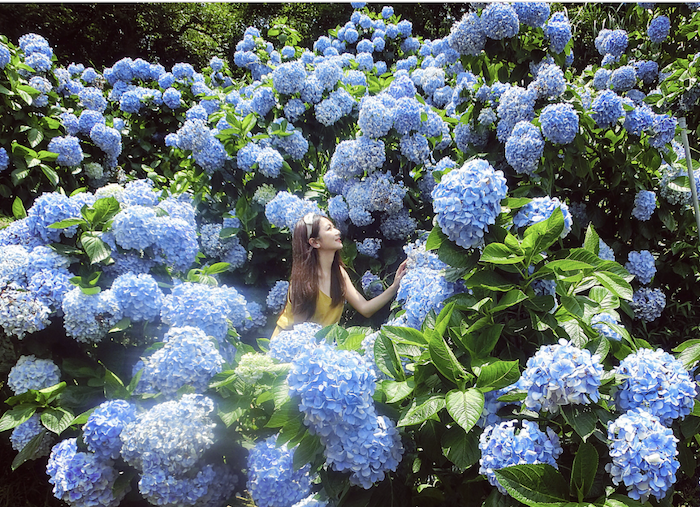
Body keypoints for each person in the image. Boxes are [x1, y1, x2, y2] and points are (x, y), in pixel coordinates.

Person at [271, 212, 407, 337]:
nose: (337, 232)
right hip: (290, 345)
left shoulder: (339, 273)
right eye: (329, 229)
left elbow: (365, 309)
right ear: (315, 242)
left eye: (334, 227)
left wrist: (395, 286)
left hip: (321, 347)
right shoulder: (303, 283)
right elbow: (299, 333)